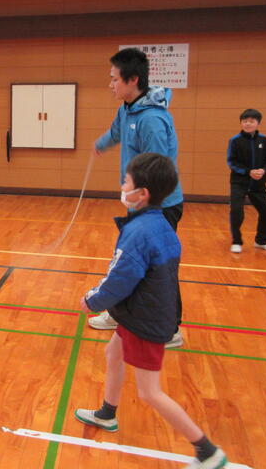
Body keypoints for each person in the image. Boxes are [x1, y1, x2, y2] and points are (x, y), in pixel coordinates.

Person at [75, 153, 228, 469]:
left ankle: (207, 451)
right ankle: (107, 413)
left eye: (126, 182)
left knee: (150, 392)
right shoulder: (159, 224)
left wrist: (92, 300)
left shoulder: (140, 232)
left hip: (144, 319)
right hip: (140, 312)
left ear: (141, 193)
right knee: (113, 354)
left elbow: (120, 278)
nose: (122, 187)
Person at [90, 47, 184, 349]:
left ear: (132, 80)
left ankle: (170, 330)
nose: (111, 85)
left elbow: (158, 169)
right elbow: (117, 132)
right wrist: (102, 144)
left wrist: (142, 201)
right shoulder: (127, 109)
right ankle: (121, 314)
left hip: (159, 206)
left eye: (114, 79)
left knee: (159, 270)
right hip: (138, 202)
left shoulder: (152, 120)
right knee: (129, 261)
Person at [227, 109, 266, 253]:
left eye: (251, 121)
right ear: (241, 123)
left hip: (259, 184)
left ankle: (261, 241)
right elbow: (231, 162)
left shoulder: (264, 140)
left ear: (258, 123)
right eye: (245, 121)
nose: (248, 124)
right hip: (239, 183)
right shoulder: (235, 140)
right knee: (236, 211)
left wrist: (263, 170)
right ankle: (236, 241)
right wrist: (248, 171)